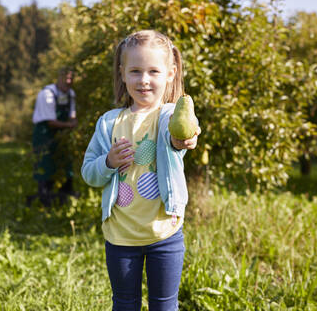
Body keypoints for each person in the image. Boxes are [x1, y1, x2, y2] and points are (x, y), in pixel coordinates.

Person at [81, 30, 201, 310]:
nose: (144, 80)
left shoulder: (170, 116)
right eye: (135, 71)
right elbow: (89, 172)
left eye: (153, 71)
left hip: (164, 233)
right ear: (122, 74)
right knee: (124, 303)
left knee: (164, 304)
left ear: (170, 74)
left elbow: (182, 136)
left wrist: (185, 138)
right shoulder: (108, 124)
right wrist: (108, 162)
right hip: (121, 236)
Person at [31, 68, 78, 207]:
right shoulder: (47, 94)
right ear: (59, 78)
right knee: (45, 164)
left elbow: (72, 115)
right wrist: (70, 125)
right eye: (66, 78)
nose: (68, 81)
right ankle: (44, 198)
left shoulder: (71, 94)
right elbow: (50, 122)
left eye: (71, 78)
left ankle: (65, 195)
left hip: (61, 134)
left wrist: (73, 122)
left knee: (65, 161)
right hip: (44, 133)